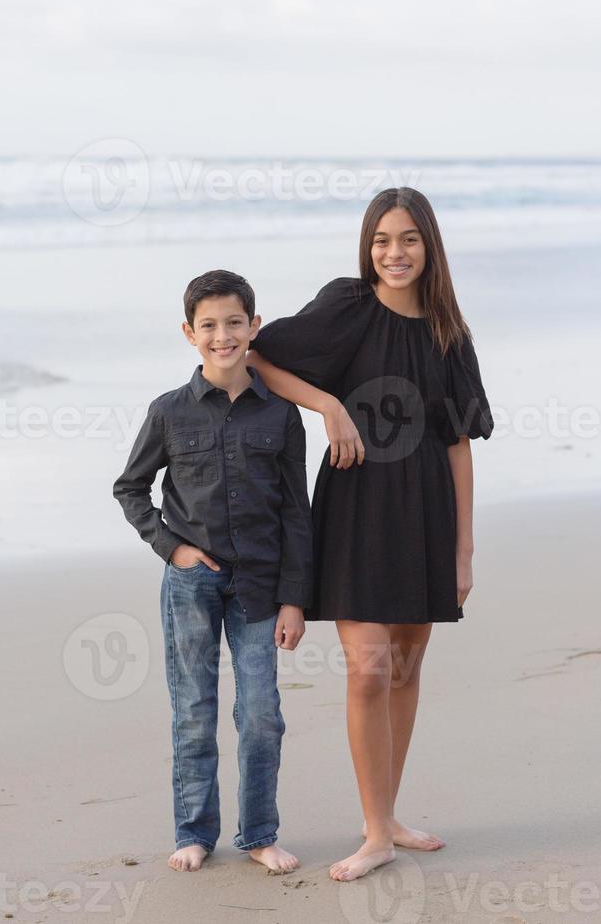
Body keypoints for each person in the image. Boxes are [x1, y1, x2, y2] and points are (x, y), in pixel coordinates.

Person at [247, 187, 495, 882]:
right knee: (368, 668)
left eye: (409, 239)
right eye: (383, 239)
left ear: (430, 246)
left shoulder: (450, 333)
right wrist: (329, 405)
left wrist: (463, 552)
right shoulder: (346, 307)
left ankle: (384, 821)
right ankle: (376, 833)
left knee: (409, 666)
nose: (394, 252)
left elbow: (457, 444)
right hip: (356, 508)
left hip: (426, 513)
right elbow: (261, 358)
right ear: (368, 245)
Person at [113, 269, 313, 874]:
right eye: (209, 326)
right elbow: (131, 489)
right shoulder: (169, 412)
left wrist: (296, 599)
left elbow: (296, 512)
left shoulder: (280, 416)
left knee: (260, 714)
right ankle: (195, 831)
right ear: (189, 333)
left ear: (253, 327)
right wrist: (170, 546)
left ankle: (259, 835)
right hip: (190, 584)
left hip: (261, 586)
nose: (222, 335)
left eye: (234, 323)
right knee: (194, 710)